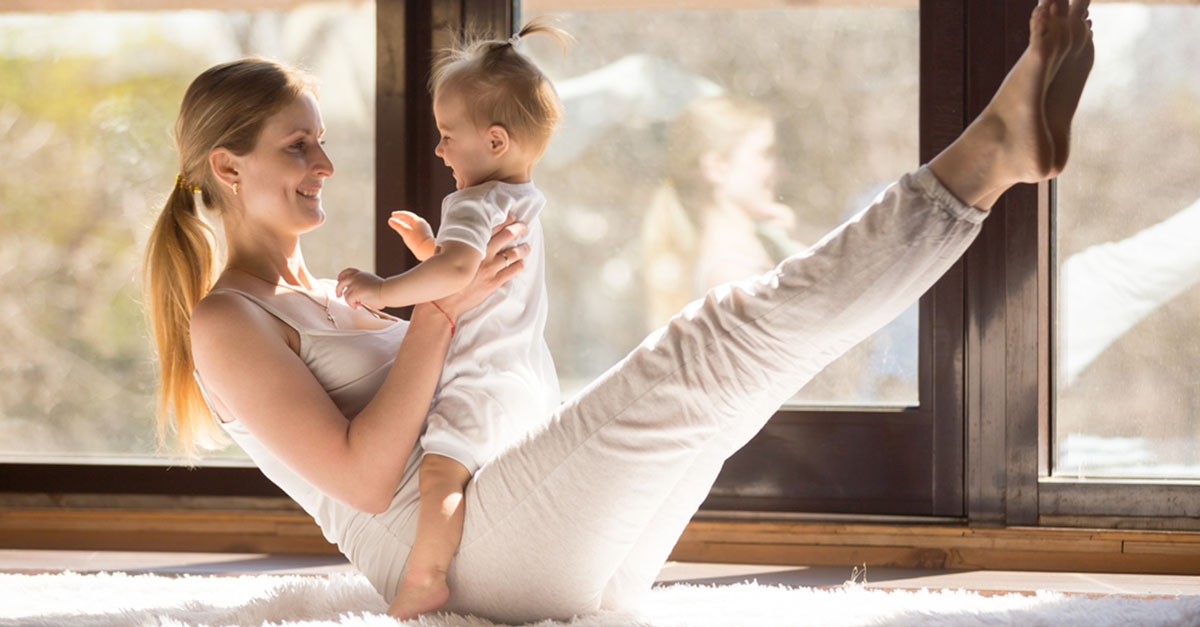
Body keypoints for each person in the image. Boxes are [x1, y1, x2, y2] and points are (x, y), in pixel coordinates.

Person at [143, 0, 1094, 622]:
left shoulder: (319, 292)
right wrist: (437, 313)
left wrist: (450, 296)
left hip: (526, 537)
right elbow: (360, 477)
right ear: (227, 168)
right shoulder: (228, 321)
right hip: (450, 557)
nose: (325, 165)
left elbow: (460, 378)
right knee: (711, 341)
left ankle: (991, 166)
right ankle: (982, 163)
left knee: (738, 379)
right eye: (298, 147)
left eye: (320, 141)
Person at [330, 18, 568, 618]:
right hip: (528, 380)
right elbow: (472, 272)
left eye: (446, 134)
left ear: (493, 142)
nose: (438, 149)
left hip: (480, 380)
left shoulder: (471, 200)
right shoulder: (523, 201)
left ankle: (426, 576)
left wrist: (384, 289)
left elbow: (462, 274)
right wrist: (430, 251)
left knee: (439, 479)